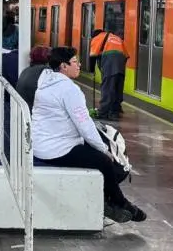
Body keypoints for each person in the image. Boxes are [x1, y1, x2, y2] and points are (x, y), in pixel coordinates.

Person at [32, 47, 146, 223]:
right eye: (75, 62)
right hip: (57, 149)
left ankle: (110, 200)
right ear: (63, 66)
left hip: (40, 145)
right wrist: (104, 149)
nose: (79, 65)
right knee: (105, 161)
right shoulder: (69, 89)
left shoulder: (45, 83)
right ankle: (119, 202)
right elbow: (84, 125)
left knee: (93, 152)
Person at [89, 29, 130, 120]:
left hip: (110, 62)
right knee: (117, 88)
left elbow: (92, 57)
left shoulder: (97, 38)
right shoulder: (116, 38)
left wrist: (92, 71)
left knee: (107, 88)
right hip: (121, 63)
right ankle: (114, 112)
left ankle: (103, 113)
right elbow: (126, 56)